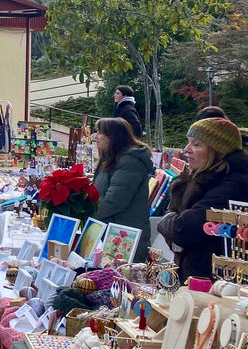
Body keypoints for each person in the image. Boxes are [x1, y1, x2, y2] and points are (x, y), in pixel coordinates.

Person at [158, 118, 248, 280]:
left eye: (196, 144)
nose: (186, 150)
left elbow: (183, 229)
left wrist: (166, 221)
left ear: (217, 150)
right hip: (195, 277)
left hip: (215, 283)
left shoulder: (233, 184)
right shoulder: (197, 176)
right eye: (188, 143)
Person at [93, 117, 155, 260]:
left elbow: (114, 201)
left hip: (124, 236)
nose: (96, 136)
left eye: (100, 132)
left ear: (113, 136)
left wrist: (86, 212)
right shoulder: (111, 157)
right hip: (111, 231)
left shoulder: (130, 161)